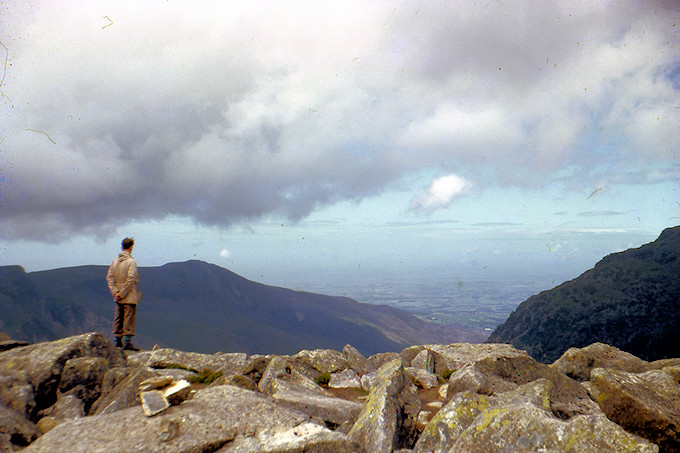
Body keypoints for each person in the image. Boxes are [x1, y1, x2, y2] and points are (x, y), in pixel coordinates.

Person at [106, 237, 141, 351]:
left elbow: (110, 278)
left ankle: (117, 342)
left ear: (122, 247)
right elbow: (131, 279)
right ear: (131, 247)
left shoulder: (115, 261)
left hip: (117, 295)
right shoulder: (131, 262)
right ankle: (127, 343)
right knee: (129, 317)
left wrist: (115, 292)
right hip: (129, 294)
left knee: (118, 317)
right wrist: (122, 293)